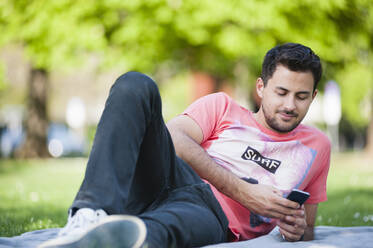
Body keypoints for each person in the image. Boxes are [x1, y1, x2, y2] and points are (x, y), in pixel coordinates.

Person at [40, 43, 330, 248]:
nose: (290, 105)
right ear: (260, 88)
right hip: (171, 175)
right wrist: (245, 192)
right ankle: (88, 214)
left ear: (313, 96)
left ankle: (107, 240)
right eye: (281, 92)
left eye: (301, 96)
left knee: (153, 234)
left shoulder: (318, 146)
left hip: (213, 217)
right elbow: (175, 139)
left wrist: (296, 229)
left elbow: (306, 231)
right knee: (135, 84)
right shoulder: (222, 106)